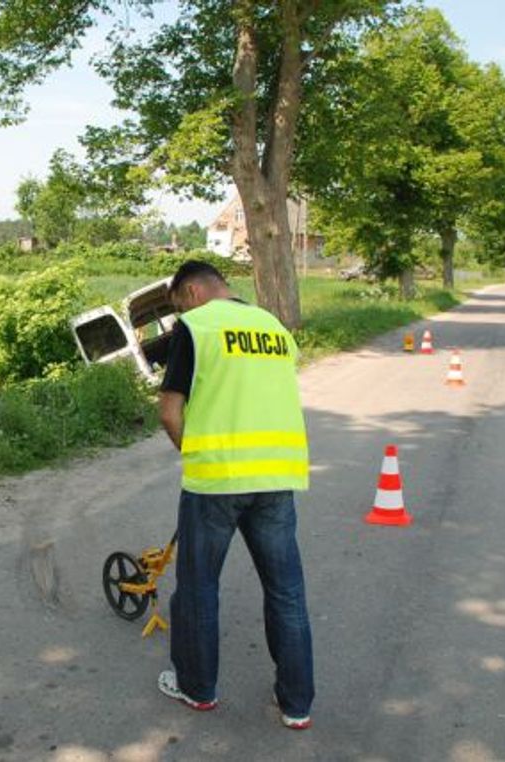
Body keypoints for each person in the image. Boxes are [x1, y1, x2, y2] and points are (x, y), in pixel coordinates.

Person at [155, 260, 315, 730]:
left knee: (199, 589)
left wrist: (195, 452)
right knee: (286, 593)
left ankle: (198, 689)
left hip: (217, 482)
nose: (178, 311)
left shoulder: (197, 326)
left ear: (191, 292)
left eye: (177, 303)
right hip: (276, 478)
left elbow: (169, 411)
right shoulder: (273, 327)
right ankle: (296, 704)